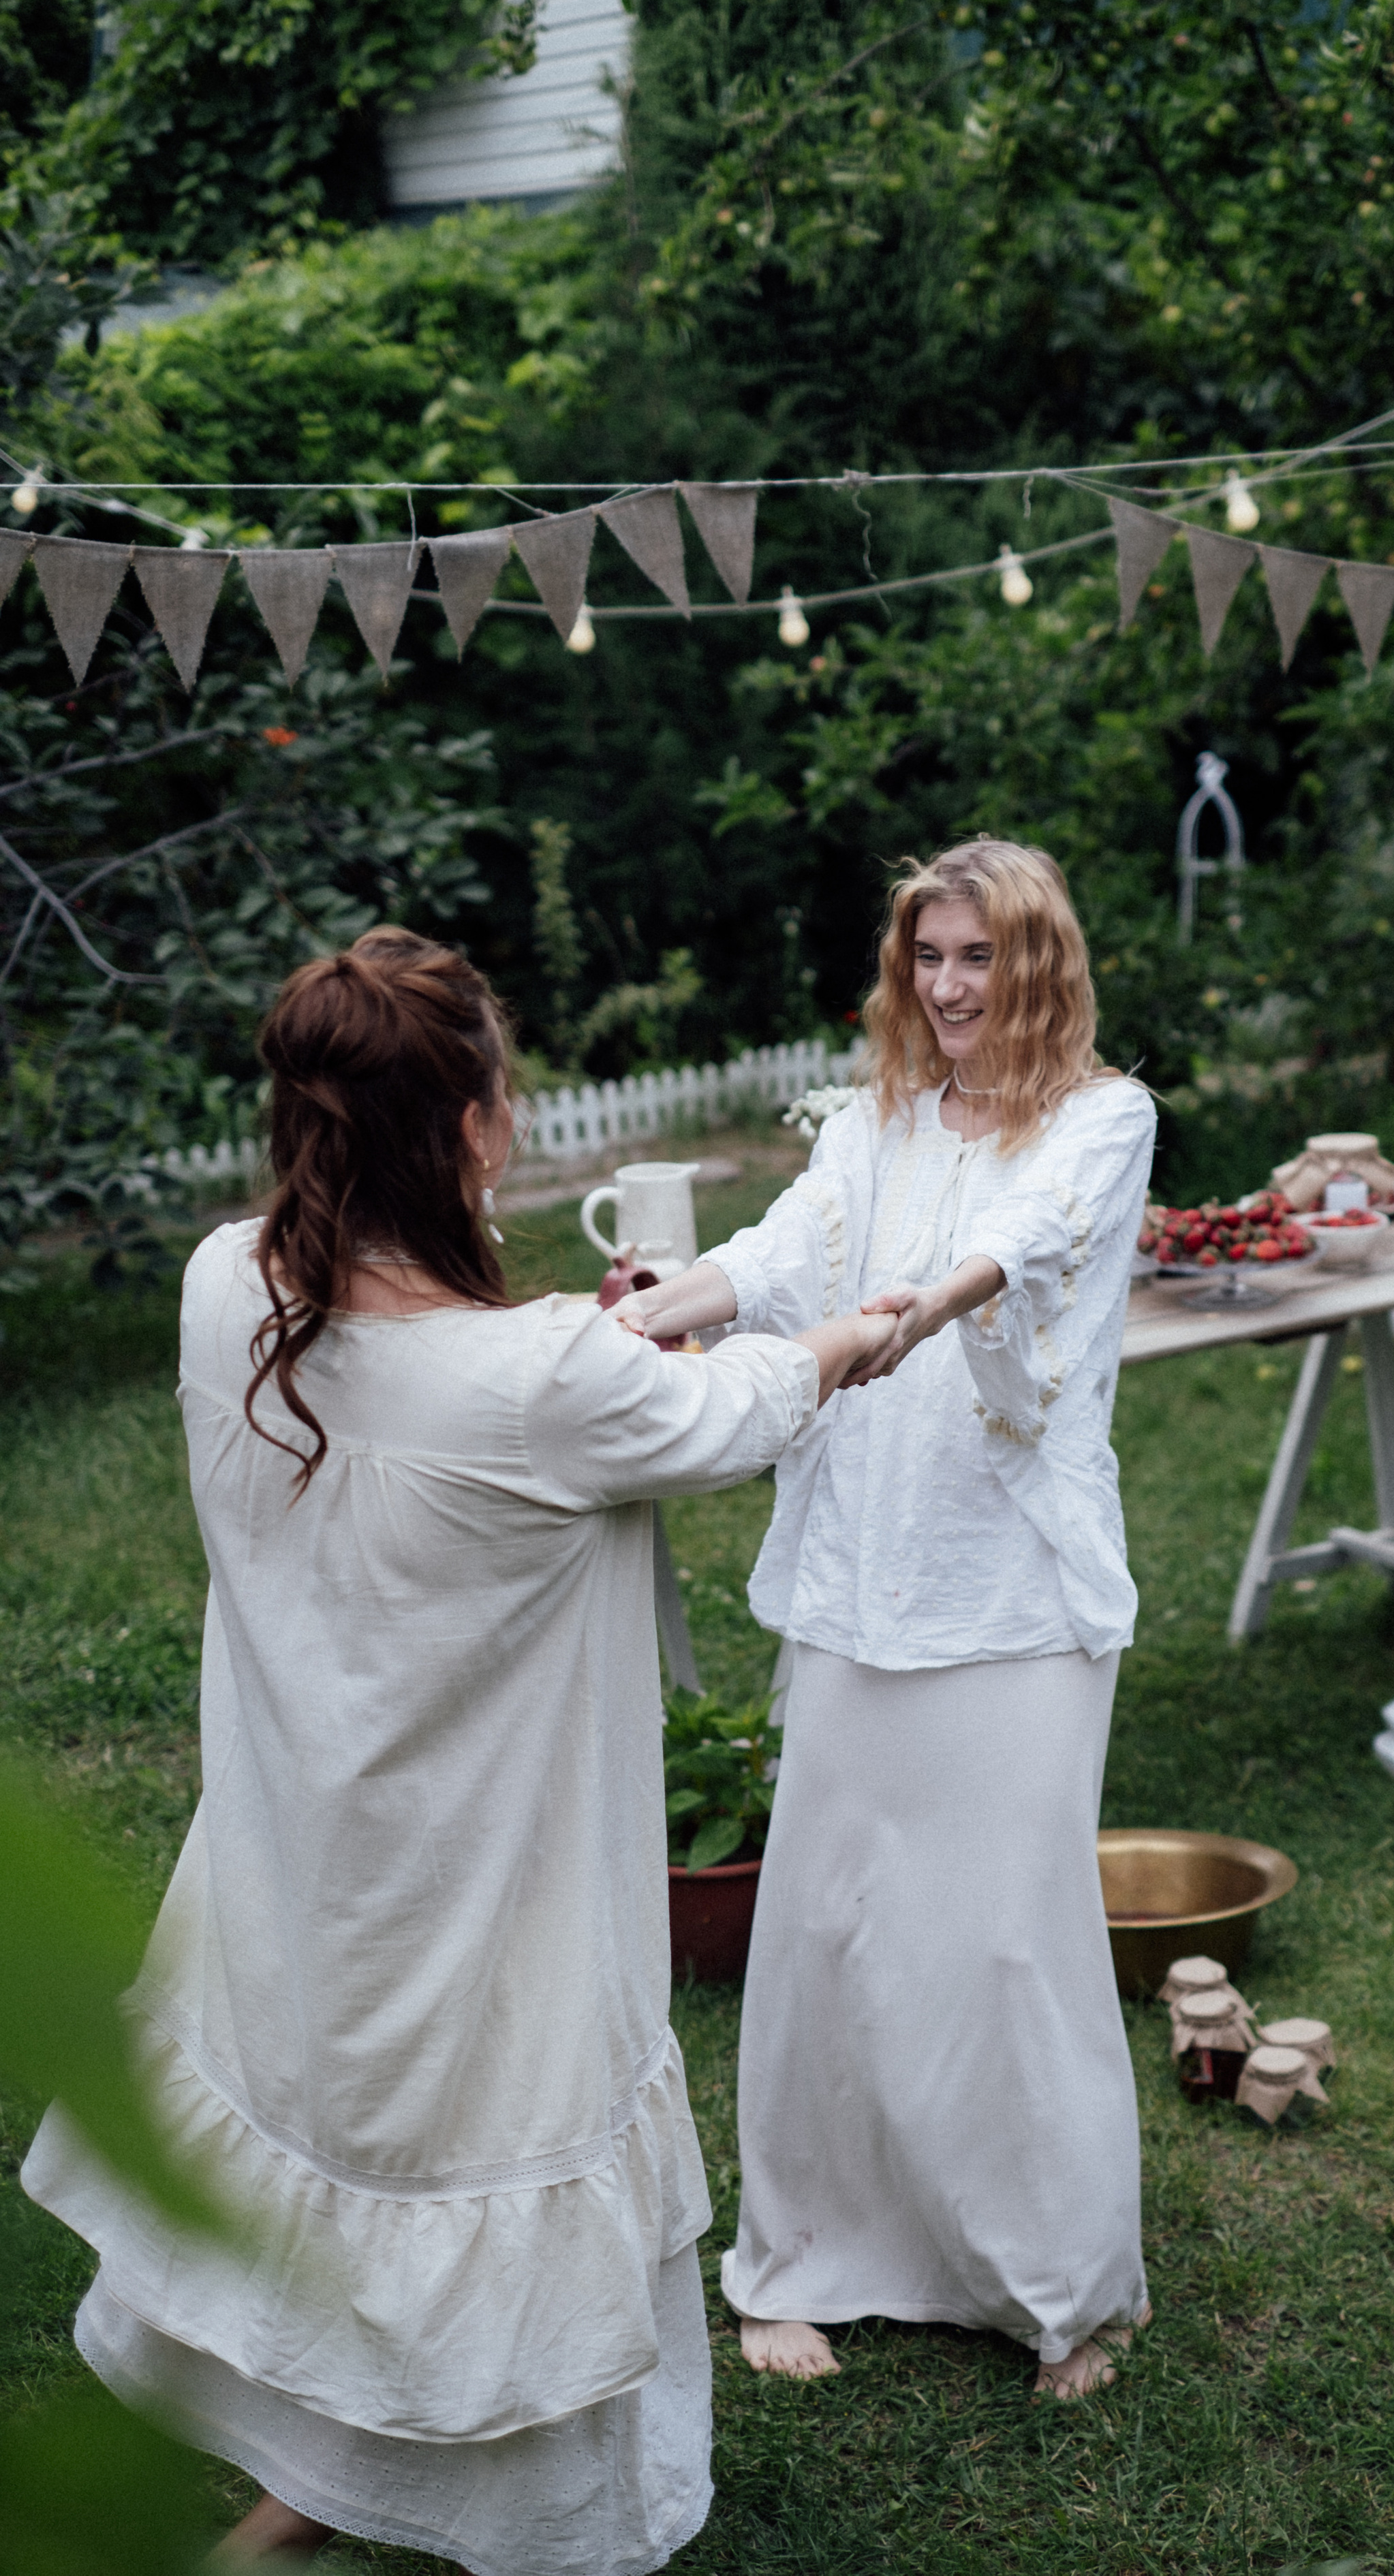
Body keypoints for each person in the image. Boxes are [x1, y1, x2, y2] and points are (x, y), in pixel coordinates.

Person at [21, 927, 894, 2573]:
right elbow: (744, 1407)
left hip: (301, 1868)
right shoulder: (542, 1380)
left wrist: (592, 1345)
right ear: (476, 1128)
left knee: (339, 2153)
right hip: (488, 1890)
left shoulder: (230, 1288)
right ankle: (517, 2516)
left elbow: (490, 1390)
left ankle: (320, 2480)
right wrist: (856, 1334)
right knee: (492, 2152)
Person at [619, 841, 1156, 2400]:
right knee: (829, 1923)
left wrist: (925, 1305)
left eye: (978, 958)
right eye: (928, 957)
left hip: (1013, 1592)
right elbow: (782, 1257)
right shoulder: (870, 1127)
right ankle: (802, 2257)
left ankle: (1053, 2282)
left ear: (1037, 964)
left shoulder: (1107, 1119)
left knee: (1003, 1939)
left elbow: (1041, 1238)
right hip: (862, 1576)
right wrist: (651, 1311)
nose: (946, 986)